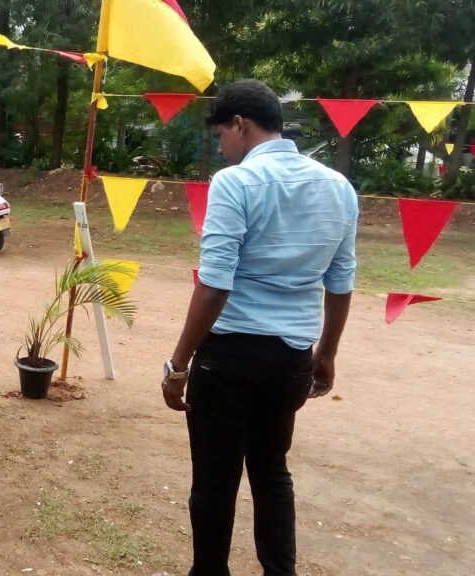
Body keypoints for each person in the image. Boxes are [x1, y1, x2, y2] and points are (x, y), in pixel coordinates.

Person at [159, 79, 358, 576]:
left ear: (240, 125)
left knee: (215, 480)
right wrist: (326, 353)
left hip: (229, 356)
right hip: (291, 359)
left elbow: (214, 284)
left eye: (220, 137)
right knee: (272, 472)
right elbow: (340, 282)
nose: (220, 149)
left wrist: (178, 364)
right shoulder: (338, 187)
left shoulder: (236, 183)